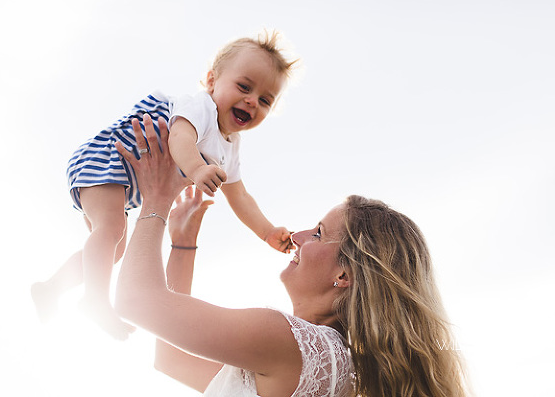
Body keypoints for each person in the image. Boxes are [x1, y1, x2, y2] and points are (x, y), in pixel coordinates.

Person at [114, 115, 469, 396]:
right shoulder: (330, 363)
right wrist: (183, 245)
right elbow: (172, 359)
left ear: (344, 275)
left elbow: (134, 302)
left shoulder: (286, 341)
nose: (296, 237)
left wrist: (156, 198)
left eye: (318, 233)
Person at [31, 31, 297, 340]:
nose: (252, 101)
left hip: (124, 181)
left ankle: (51, 288)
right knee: (111, 231)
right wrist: (197, 168)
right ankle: (95, 299)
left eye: (265, 100)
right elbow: (180, 137)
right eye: (244, 86)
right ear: (212, 81)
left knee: (113, 250)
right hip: (109, 157)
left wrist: (266, 231)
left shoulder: (230, 147)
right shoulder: (201, 108)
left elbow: (240, 196)